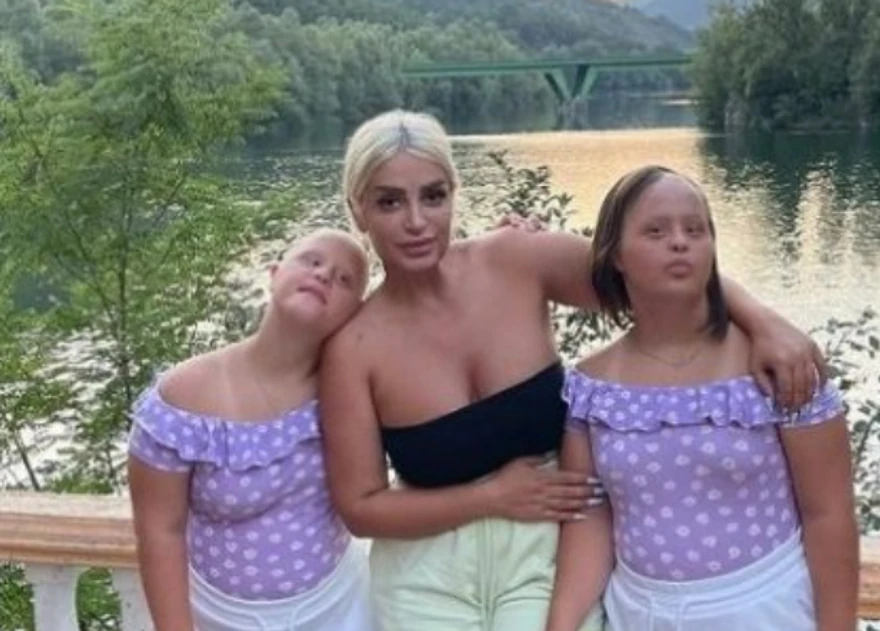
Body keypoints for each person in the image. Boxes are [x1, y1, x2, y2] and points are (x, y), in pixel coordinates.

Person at [318, 110, 829, 631]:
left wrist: (765, 322)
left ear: (454, 193)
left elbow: (656, 275)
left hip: (549, 552)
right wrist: (489, 498)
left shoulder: (517, 261)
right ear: (358, 210)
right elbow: (360, 507)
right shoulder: (353, 350)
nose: (416, 222)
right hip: (426, 578)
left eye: (433, 196)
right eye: (389, 202)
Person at [546, 166, 858, 631]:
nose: (680, 242)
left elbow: (828, 513)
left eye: (695, 230)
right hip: (639, 611)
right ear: (616, 255)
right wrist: (560, 625)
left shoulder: (776, 365)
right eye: (656, 231)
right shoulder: (593, 386)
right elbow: (591, 516)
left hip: (763, 605)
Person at [127, 229, 378, 631]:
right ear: (275, 273)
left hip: (340, 608)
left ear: (355, 312)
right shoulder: (184, 396)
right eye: (312, 261)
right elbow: (160, 531)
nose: (324, 274)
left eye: (345, 279)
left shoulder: (352, 391)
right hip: (219, 617)